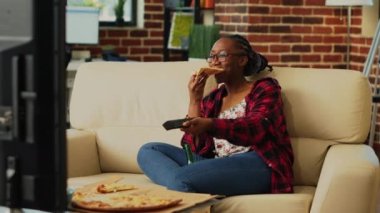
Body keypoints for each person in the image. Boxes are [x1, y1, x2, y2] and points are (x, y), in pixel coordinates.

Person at [137, 34, 293, 196]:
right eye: (211, 56)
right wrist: (195, 100)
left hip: (258, 162)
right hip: (218, 163)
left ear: (242, 60)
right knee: (149, 150)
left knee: (181, 177)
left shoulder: (265, 88)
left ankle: (185, 182)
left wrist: (211, 124)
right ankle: (188, 183)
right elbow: (193, 150)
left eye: (222, 55)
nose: (214, 61)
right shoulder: (213, 99)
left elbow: (257, 127)